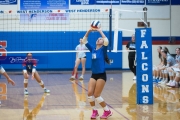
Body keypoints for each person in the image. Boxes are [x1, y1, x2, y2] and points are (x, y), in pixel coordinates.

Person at [82, 28, 112, 119]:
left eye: (101, 39)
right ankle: (94, 111)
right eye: (98, 38)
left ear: (102, 43)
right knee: (90, 94)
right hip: (93, 74)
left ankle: (107, 111)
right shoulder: (93, 49)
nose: (100, 39)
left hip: (101, 75)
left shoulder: (103, 49)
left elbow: (106, 40)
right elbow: (84, 40)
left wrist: (99, 30)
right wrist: (89, 31)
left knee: (97, 95)